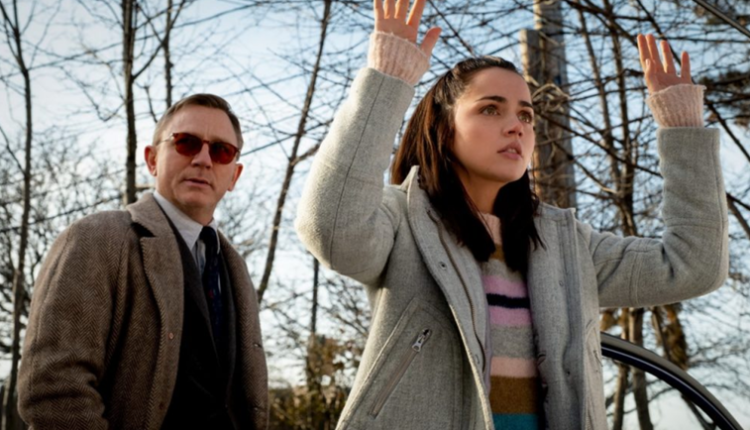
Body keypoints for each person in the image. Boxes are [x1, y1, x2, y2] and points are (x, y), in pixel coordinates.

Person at [294, 0, 728, 429]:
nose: (516, 125)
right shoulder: (401, 221)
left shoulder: (567, 246)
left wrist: (682, 128)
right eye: (490, 108)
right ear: (444, 128)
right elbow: (331, 230)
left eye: (526, 114)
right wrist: (387, 78)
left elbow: (694, 266)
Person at [18, 94, 268, 429]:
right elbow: (54, 390)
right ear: (152, 160)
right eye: (186, 142)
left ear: (234, 175)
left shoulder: (234, 268)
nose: (203, 160)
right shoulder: (96, 239)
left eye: (221, 150)